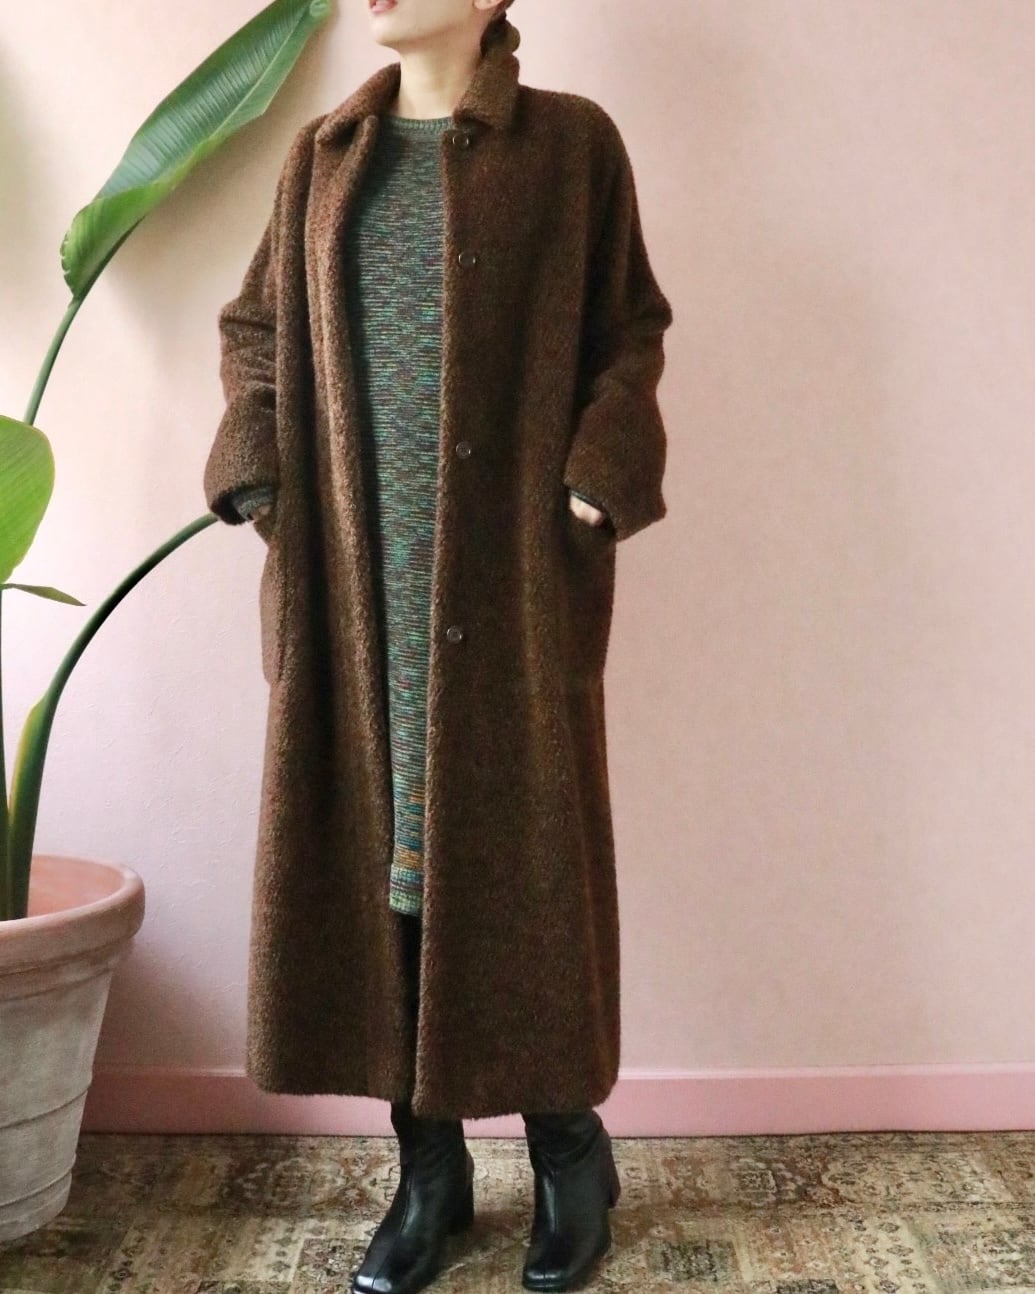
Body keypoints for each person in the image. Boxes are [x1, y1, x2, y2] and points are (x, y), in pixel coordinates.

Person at [209, 1, 673, 1291]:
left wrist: (599, 474)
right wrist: (261, 471)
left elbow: (631, 329)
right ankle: (429, 1172)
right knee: (381, 864)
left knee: (522, 861)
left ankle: (568, 1152)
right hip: (356, 584)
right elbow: (254, 329)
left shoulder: (572, 147)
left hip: (510, 578)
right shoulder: (323, 158)